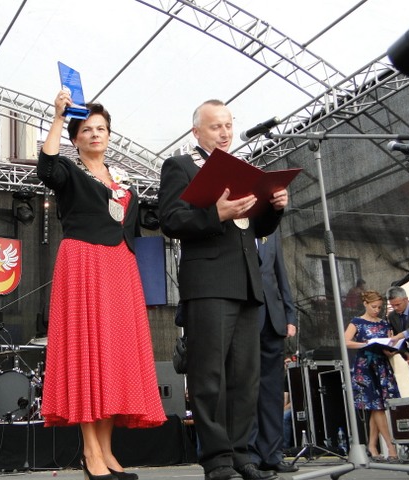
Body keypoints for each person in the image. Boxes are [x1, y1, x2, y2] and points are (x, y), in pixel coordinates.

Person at [37, 90, 166, 480]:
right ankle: (90, 453)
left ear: (109, 135)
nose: (95, 135)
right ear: (76, 139)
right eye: (87, 130)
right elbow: (46, 168)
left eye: (101, 129)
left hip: (120, 267)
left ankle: (107, 452)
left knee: (113, 358)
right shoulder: (70, 171)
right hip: (84, 263)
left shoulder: (122, 180)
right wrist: (58, 117)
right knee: (87, 355)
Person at [158, 99, 288, 480]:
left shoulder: (243, 169)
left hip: (247, 283)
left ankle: (241, 454)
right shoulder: (181, 166)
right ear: (196, 131)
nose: (225, 132)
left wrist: (275, 207)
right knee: (210, 376)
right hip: (209, 283)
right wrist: (216, 214)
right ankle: (217, 460)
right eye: (216, 126)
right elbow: (171, 219)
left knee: (245, 377)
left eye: (229, 125)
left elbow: (257, 227)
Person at [248, 232, 298, 474]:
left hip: (273, 318)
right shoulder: (234, 225)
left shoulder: (271, 233)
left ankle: (272, 455)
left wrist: (290, 314)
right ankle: (249, 456)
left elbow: (281, 274)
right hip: (245, 316)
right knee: (247, 390)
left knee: (272, 393)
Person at [344, 290, 400, 461]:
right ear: (365, 304)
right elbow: (346, 341)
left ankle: (372, 445)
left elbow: (390, 344)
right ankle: (390, 447)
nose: (377, 310)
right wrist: (365, 344)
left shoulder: (384, 323)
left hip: (381, 365)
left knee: (379, 406)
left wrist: (391, 349)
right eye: (374, 306)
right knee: (376, 406)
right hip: (365, 367)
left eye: (379, 307)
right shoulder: (357, 322)